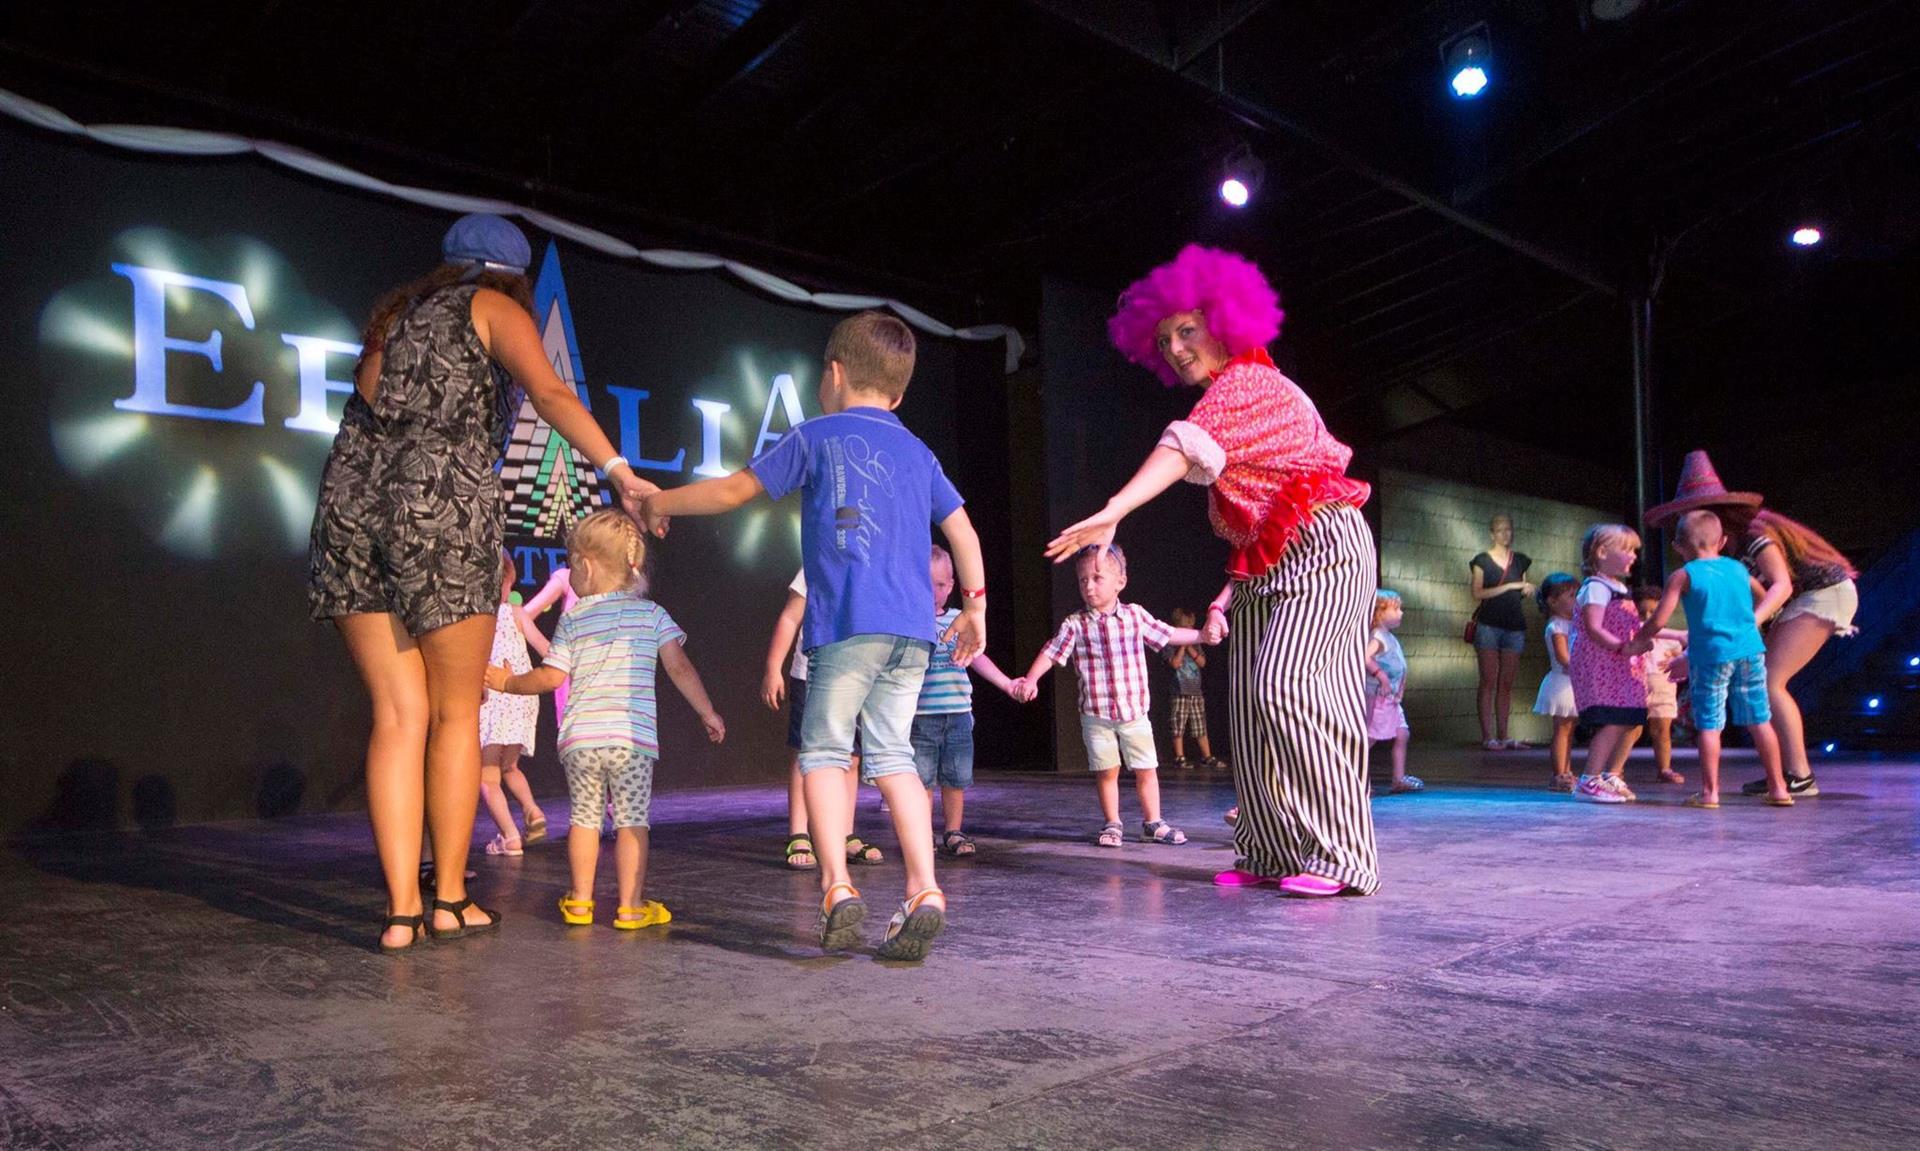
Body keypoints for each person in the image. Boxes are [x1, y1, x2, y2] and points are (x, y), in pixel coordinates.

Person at [307, 213, 659, 953]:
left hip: (351, 506)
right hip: (440, 509)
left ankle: (400, 912)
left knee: (397, 714)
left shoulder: (395, 319)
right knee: (455, 714)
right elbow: (552, 396)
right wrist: (620, 472)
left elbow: (375, 407)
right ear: (511, 276)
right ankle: (449, 900)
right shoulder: (492, 306)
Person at [640, 311, 987, 962]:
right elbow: (963, 532)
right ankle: (924, 887)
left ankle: (836, 885)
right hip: (913, 634)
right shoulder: (920, 452)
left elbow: (734, 491)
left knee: (824, 751)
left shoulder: (815, 435)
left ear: (834, 374)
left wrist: (660, 501)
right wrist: (976, 610)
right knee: (894, 756)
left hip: (848, 626)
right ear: (899, 395)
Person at [1046, 245, 1379, 897]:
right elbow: (1252, 523)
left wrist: (1115, 508)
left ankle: (1342, 856)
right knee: (1251, 708)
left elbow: (1182, 447)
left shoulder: (1247, 383)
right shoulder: (1226, 403)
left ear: (1224, 321)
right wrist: (1229, 594)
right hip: (1268, 567)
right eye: (1163, 340)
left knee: (1293, 687)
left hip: (1325, 548)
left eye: (1186, 330)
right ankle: (1271, 849)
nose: (1175, 348)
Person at [485, 511, 725, 927]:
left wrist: (507, 682)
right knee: (632, 820)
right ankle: (631, 906)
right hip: (631, 743)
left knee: (584, 818)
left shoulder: (574, 618)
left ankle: (580, 902)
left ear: (588, 566)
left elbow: (550, 677)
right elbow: (680, 668)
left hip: (581, 741)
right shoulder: (651, 615)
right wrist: (707, 711)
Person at [1644, 450, 1857, 799]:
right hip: (1798, 601)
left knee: (1771, 681)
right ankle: (1783, 778)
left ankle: (1798, 775)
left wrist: (1748, 625)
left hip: (1822, 594)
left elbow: (1781, 584)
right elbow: (1723, 618)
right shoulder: (1722, 556)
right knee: (1766, 681)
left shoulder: (1753, 531)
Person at [1010, 544, 1214, 846]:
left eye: (1097, 578)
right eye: (1083, 580)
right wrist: (1031, 678)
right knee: (1107, 771)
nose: (1089, 586)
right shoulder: (1075, 624)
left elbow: (1168, 633)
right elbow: (1052, 651)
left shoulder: (1134, 616)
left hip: (1134, 711)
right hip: (1097, 714)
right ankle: (1112, 823)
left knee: (1146, 768)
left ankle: (1153, 822)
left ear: (1120, 582)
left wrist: (1201, 636)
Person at [1628, 510, 1792, 808]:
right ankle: (1779, 788)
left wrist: (1638, 640)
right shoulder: (1738, 569)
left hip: (1710, 656)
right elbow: (1762, 595)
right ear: (1723, 541)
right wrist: (1746, 620)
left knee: (1710, 724)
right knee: (1760, 721)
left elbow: (1659, 619)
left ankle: (1710, 793)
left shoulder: (1683, 575)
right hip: (1749, 651)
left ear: (1678, 547)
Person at [761, 568, 881, 870]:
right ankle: (799, 834)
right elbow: (790, 617)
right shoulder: (815, 564)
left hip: (855, 676)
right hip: (811, 674)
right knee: (805, 755)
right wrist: (774, 667)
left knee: (851, 758)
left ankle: (844, 833)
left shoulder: (870, 565)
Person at [914, 545, 1018, 857]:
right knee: (921, 779)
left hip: (958, 714)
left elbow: (977, 657)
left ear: (952, 585)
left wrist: (1006, 683)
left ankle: (953, 831)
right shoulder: (912, 622)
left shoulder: (960, 618)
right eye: (927, 583)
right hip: (922, 715)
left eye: (941, 584)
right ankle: (922, 834)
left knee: (955, 778)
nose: (934, 592)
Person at [477, 552, 568, 856]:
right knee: (510, 766)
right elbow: (545, 648)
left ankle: (510, 836)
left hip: (493, 694)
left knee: (488, 775)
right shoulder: (516, 613)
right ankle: (533, 811)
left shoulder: (477, 618)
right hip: (523, 694)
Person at [1568, 525, 1648, 804]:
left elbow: (1635, 626)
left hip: (1621, 666)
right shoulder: (1596, 588)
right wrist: (1622, 647)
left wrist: (1676, 635)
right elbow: (1594, 627)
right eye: (1627, 550)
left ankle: (1612, 773)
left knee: (1632, 721)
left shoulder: (1619, 588)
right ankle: (1589, 779)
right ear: (1602, 552)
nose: (1633, 556)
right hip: (1601, 664)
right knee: (1613, 719)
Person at [1468, 514, 1535, 750]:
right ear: (1492, 534)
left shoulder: (1520, 561)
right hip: (1488, 624)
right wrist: (1509, 586)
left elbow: (1522, 588)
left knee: (1506, 683)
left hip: (1514, 624)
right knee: (1488, 679)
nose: (1505, 534)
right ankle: (1488, 736)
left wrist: (1526, 589)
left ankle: (1504, 735)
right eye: (1500, 530)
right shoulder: (1482, 561)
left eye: (1508, 529)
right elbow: (1477, 593)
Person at [1366, 590, 1421, 794]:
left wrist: (1401, 688)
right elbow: (1366, 657)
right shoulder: (1377, 636)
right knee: (1370, 737)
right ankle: (1357, 779)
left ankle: (1398, 778)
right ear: (1379, 613)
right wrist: (1381, 675)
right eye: (1396, 609)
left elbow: (1400, 665)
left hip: (1392, 698)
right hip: (1379, 696)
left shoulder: (1389, 637)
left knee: (1402, 733)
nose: (1401, 613)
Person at [1632, 586, 1687, 787]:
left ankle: (1664, 768)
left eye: (1653, 613)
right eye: (1641, 613)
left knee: (1662, 730)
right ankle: (1615, 769)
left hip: (1663, 687)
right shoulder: (1632, 635)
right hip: (1636, 686)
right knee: (1631, 729)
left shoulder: (1672, 640)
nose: (1647, 618)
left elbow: (1680, 663)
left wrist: (1675, 661)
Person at [1532, 573, 1581, 792]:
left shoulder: (1572, 623)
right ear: (1552, 601)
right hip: (1563, 683)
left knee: (1569, 730)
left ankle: (1566, 771)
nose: (1576, 600)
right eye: (1571, 596)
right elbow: (1563, 656)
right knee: (1562, 730)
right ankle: (1559, 773)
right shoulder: (1557, 625)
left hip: (1572, 682)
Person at [1164, 608, 1225, 770]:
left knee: (1200, 725)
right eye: (1186, 627)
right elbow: (1175, 663)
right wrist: (1182, 647)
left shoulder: (1196, 645)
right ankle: (1179, 757)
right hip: (1179, 692)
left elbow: (1202, 663)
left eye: (1191, 627)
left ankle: (1207, 756)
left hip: (1195, 692)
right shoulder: (1170, 645)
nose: (1190, 630)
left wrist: (1190, 647)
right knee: (1178, 726)